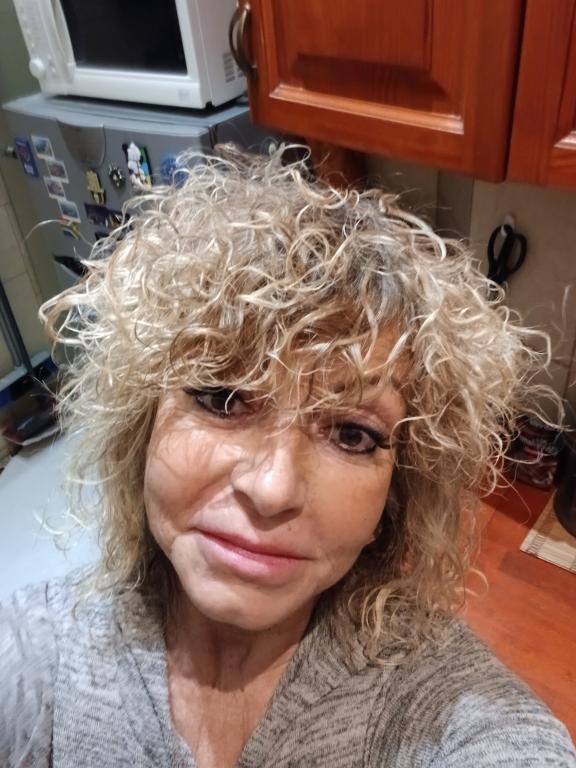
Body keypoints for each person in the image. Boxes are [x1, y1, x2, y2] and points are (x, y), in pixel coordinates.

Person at [1, 145, 575, 768]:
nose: (273, 489)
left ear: (395, 496)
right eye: (222, 399)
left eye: (352, 435)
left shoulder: (454, 716)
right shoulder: (34, 656)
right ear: (142, 425)